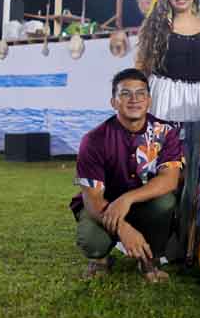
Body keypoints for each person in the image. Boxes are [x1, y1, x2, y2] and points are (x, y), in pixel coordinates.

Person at [135, 0, 200, 260]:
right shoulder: (157, 26)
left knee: (199, 175)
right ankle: (157, 241)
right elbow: (142, 67)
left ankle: (193, 242)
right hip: (164, 103)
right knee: (163, 171)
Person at [69, 68, 183, 283]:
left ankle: (150, 258)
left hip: (143, 205)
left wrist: (127, 199)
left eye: (140, 93)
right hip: (105, 206)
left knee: (165, 202)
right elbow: (92, 201)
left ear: (149, 100)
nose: (134, 99)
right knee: (92, 241)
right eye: (125, 94)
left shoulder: (165, 132)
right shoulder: (94, 140)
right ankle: (100, 259)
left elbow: (170, 179)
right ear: (114, 102)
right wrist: (124, 229)